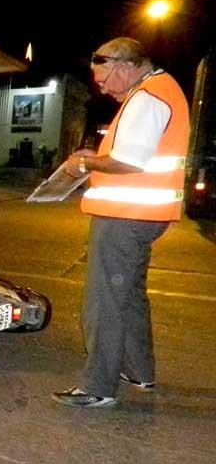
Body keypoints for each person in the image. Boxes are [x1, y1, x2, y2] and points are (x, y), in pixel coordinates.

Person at [52, 37, 190, 408]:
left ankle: (98, 386)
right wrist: (95, 156)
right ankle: (138, 370)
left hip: (125, 216)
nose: (103, 89)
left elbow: (129, 161)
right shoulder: (163, 89)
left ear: (124, 66)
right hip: (144, 215)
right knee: (129, 296)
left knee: (105, 300)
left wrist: (84, 162)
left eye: (103, 80)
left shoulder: (146, 98)